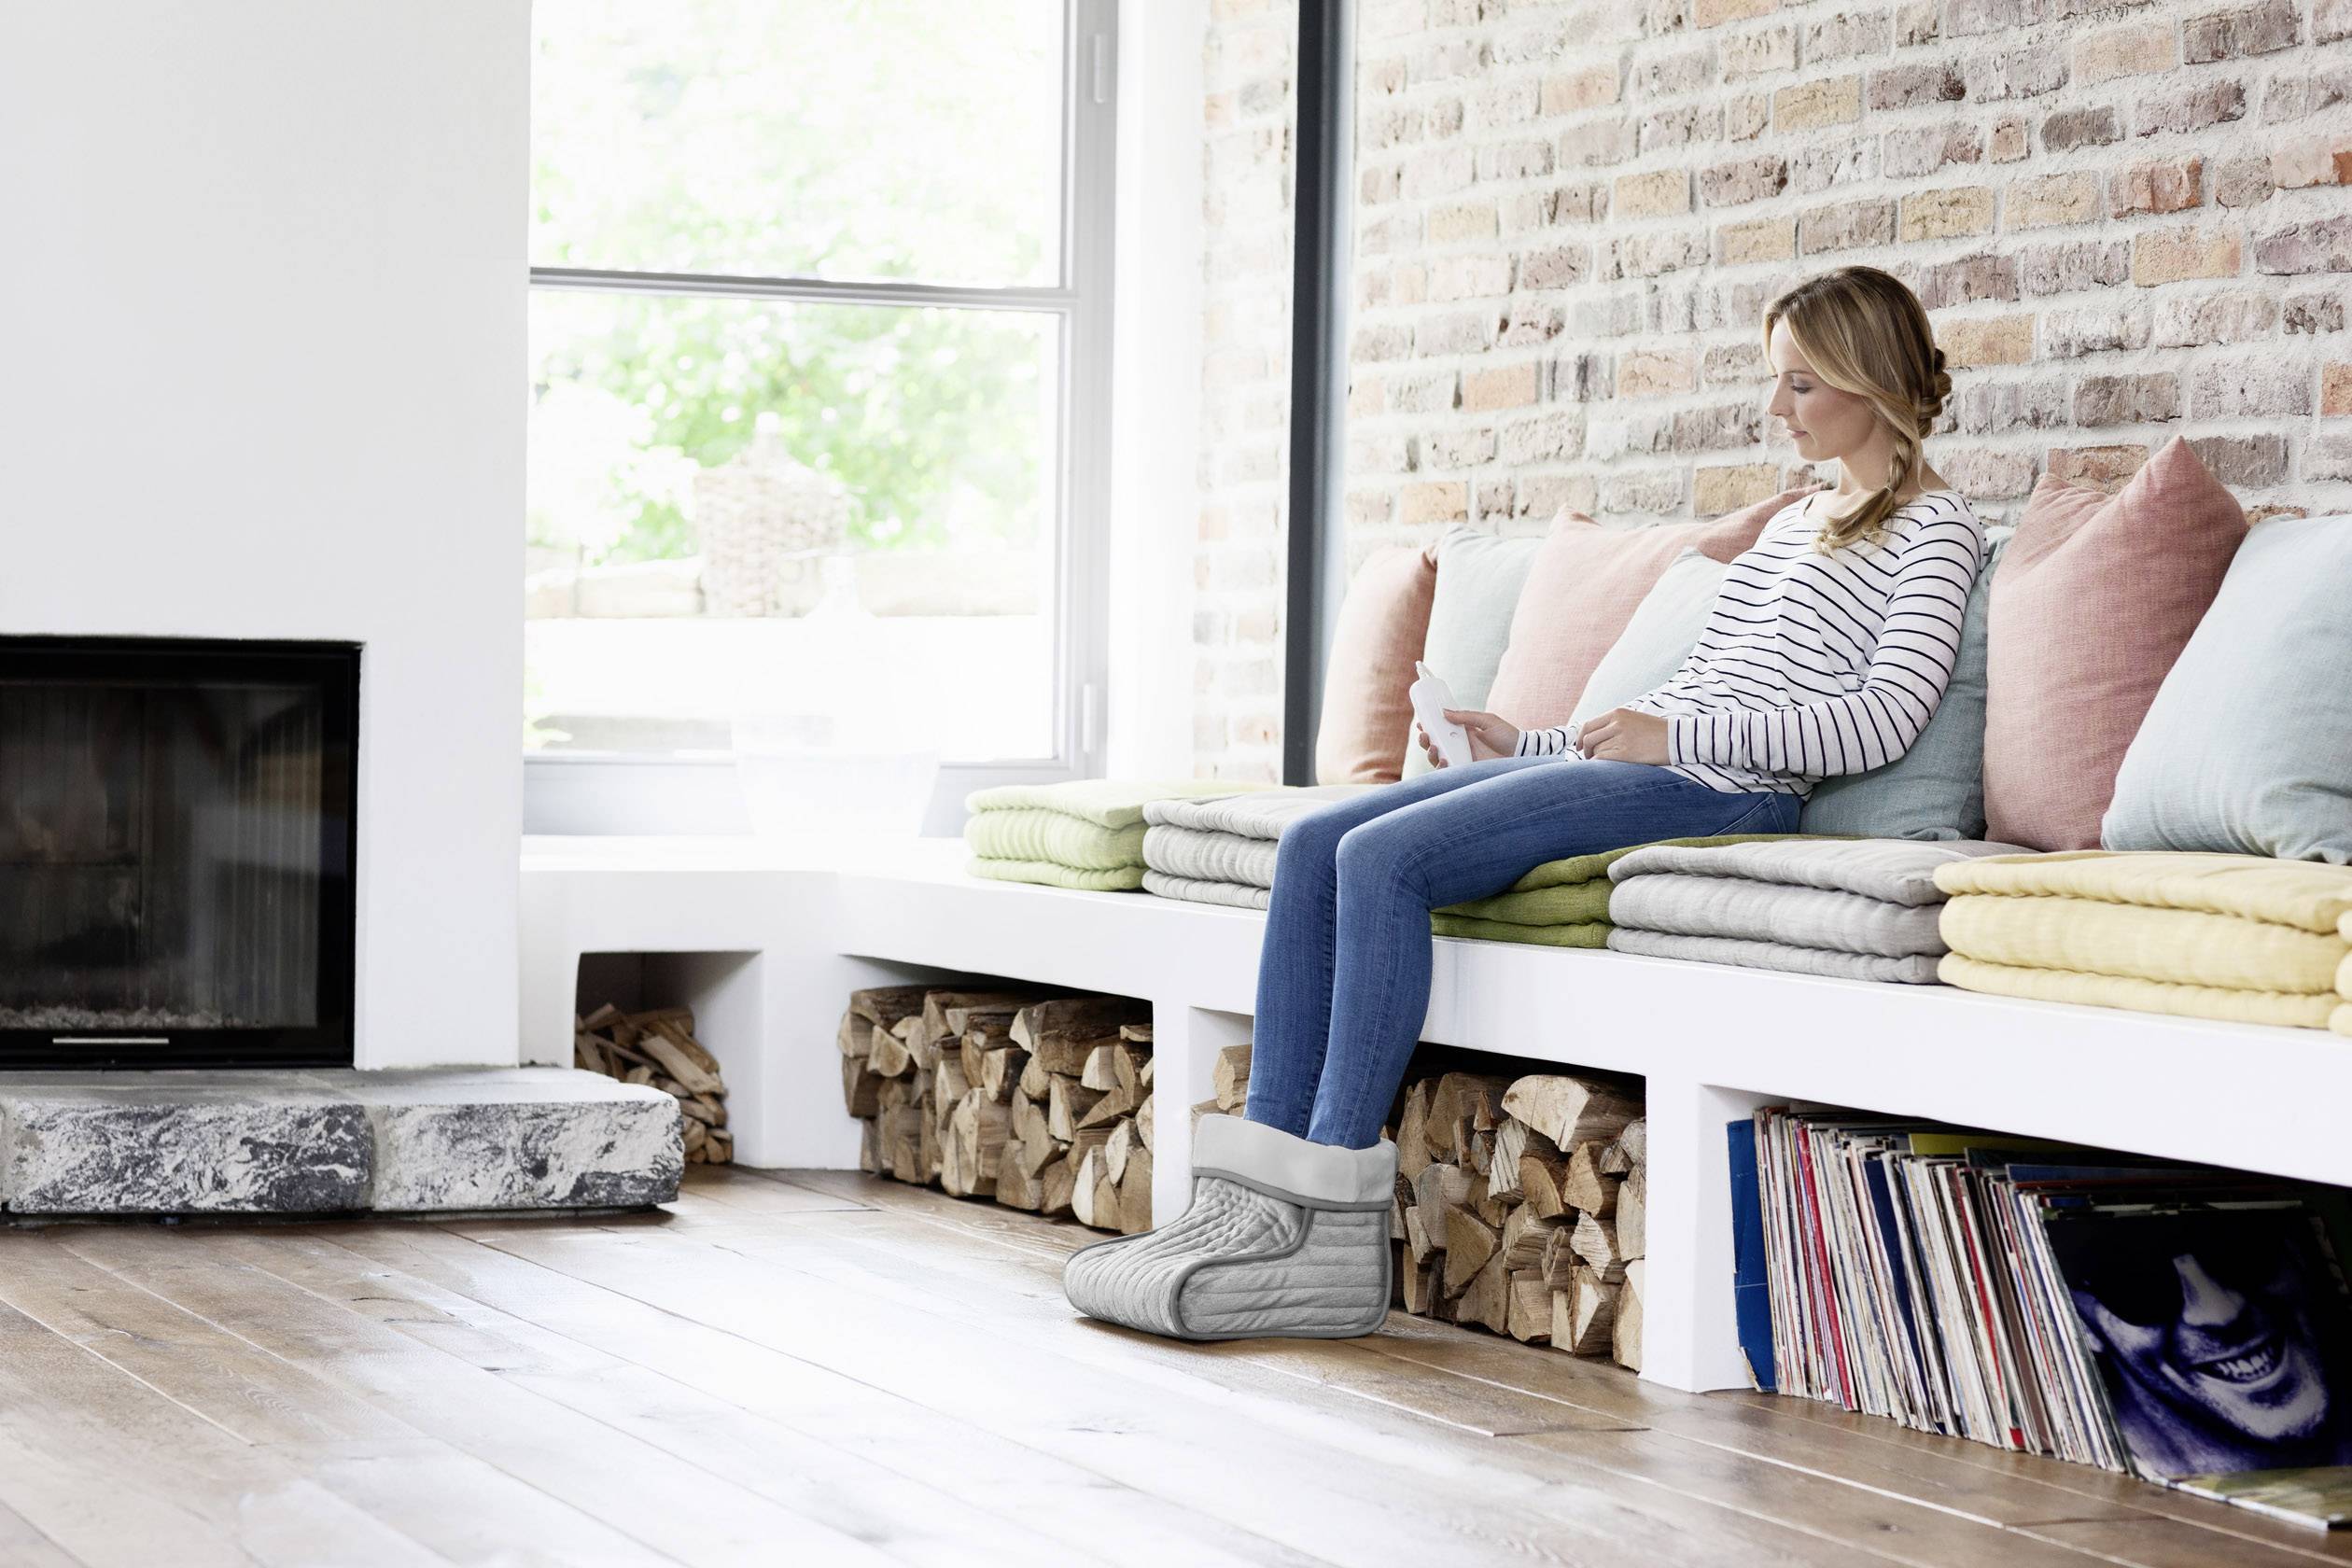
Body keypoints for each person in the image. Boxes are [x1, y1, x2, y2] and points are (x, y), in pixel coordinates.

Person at [1062, 263, 1986, 1343]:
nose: (1774, 409)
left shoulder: (1935, 531)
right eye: (1776, 383)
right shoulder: (1793, 523)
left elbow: (1878, 720)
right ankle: (1254, 1203)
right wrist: (1526, 741)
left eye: (1798, 386)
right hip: (1656, 761)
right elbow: (1680, 699)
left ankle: (1324, 1231)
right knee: (1318, 839)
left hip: (1727, 790)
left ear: (1868, 384)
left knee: (1381, 864)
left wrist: (1675, 739)